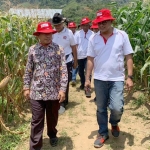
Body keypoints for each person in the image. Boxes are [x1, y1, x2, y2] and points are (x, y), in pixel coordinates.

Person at [85, 9, 134, 148]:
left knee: (117, 107)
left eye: (105, 21)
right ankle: (103, 133)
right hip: (99, 79)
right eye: (99, 22)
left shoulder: (121, 35)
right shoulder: (93, 38)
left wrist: (129, 77)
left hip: (117, 78)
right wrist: (87, 79)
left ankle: (114, 123)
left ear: (111, 21)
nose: (102, 25)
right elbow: (90, 59)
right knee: (101, 108)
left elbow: (129, 56)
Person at [23, 22, 68, 149]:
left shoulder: (59, 49)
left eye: (50, 34)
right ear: (38, 35)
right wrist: (26, 87)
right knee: (37, 120)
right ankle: (35, 146)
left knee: (53, 117)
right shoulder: (33, 50)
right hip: (37, 92)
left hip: (54, 91)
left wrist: (63, 90)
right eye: (45, 34)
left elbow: (63, 71)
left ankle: (52, 134)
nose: (48, 36)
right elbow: (29, 70)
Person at [52, 13, 78, 114]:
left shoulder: (69, 33)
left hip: (66, 60)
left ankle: (63, 102)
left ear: (63, 23)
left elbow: (74, 47)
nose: (57, 27)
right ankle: (55, 99)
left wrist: (75, 61)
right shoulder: (52, 33)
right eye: (55, 25)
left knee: (65, 81)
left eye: (59, 25)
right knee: (55, 81)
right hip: (54, 61)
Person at [75, 17, 94, 89]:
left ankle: (88, 87)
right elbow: (76, 45)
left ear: (89, 25)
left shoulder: (92, 34)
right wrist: (75, 57)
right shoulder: (77, 34)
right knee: (80, 72)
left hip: (88, 56)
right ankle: (83, 83)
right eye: (84, 25)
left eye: (87, 25)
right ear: (81, 26)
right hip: (80, 56)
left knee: (88, 71)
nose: (85, 27)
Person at [68, 22, 78, 86]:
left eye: (73, 28)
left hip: (76, 51)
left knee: (76, 65)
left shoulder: (77, 34)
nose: (72, 29)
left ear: (75, 28)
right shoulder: (68, 34)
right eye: (70, 28)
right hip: (69, 52)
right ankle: (73, 78)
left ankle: (73, 77)